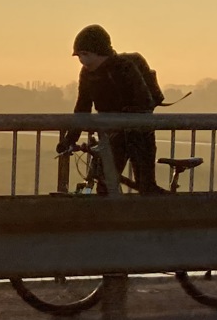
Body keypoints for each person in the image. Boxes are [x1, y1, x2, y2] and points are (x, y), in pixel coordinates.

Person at [56, 24, 165, 194]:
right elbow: (82, 108)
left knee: (146, 186)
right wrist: (70, 139)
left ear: (100, 52)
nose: (82, 60)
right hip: (113, 135)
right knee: (105, 184)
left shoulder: (124, 67)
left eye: (85, 54)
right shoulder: (86, 74)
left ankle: (161, 209)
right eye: (79, 56)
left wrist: (124, 119)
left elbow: (144, 101)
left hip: (139, 134)